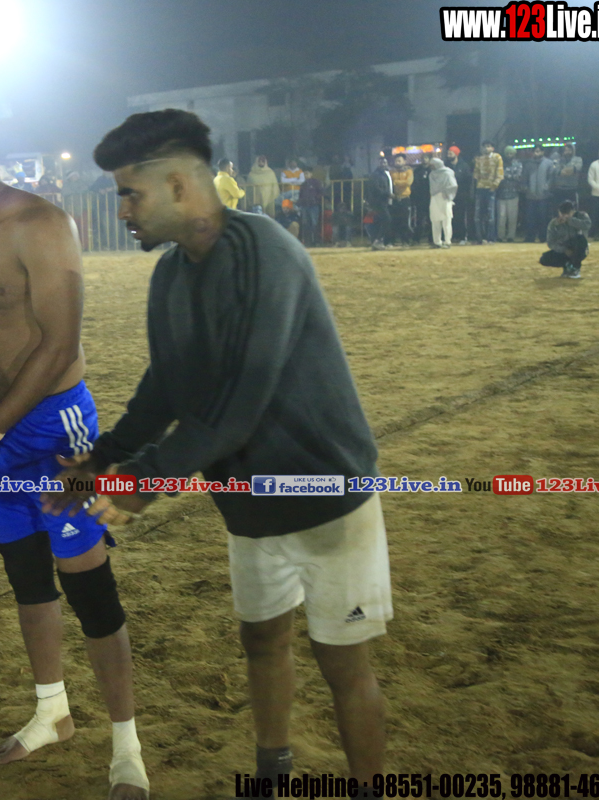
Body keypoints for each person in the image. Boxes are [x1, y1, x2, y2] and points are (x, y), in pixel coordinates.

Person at [56, 108, 389, 786]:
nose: (121, 210)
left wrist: (145, 480)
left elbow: (240, 404)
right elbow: (166, 386)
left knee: (343, 665)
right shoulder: (171, 275)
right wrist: (104, 458)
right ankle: (273, 773)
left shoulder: (267, 253)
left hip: (327, 500)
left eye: (130, 193)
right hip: (246, 503)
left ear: (179, 186)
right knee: (261, 639)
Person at [0, 97, 149, 800]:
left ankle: (127, 747)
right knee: (25, 576)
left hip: (56, 428)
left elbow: (60, 342)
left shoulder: (43, 225)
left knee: (88, 585)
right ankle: (52, 713)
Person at [540, 200, 590, 279]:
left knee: (580, 240)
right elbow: (550, 243)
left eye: (567, 214)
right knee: (544, 259)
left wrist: (570, 220)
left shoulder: (581, 216)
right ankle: (567, 266)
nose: (564, 216)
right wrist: (564, 250)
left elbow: (587, 225)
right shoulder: (554, 223)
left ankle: (575, 268)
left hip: (578, 248)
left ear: (573, 211)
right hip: (563, 249)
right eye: (562, 214)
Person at [472, 140, 503, 244]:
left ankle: (491, 238)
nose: (486, 148)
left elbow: (500, 173)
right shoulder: (479, 159)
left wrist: (494, 185)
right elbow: (476, 173)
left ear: (493, 148)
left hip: (491, 189)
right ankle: (480, 238)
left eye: (488, 146)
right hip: (480, 188)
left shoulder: (497, 157)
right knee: (478, 215)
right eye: (485, 146)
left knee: (491, 215)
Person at [525, 146, 554, 243]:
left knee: (543, 218)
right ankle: (530, 237)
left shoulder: (549, 163)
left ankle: (543, 237)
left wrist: (547, 187)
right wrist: (526, 188)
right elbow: (524, 178)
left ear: (543, 152)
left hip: (543, 196)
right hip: (530, 196)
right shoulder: (528, 163)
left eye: (538, 151)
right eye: (535, 151)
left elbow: (551, 178)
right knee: (530, 218)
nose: (536, 153)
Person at [444, 146, 472, 243]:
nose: (448, 155)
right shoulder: (446, 166)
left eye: (450, 153)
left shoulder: (464, 166)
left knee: (460, 216)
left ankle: (462, 236)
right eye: (448, 153)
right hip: (449, 196)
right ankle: (452, 236)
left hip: (461, 195)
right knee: (450, 217)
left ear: (456, 154)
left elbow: (468, 181)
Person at [428, 156, 457, 248]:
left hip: (445, 198)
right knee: (435, 220)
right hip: (434, 198)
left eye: (432, 165)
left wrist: (448, 194)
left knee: (446, 221)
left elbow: (453, 185)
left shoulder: (447, 173)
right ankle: (437, 242)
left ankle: (447, 241)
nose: (431, 167)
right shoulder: (432, 174)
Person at [496, 146, 522, 242]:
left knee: (512, 217)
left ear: (514, 154)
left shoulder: (518, 164)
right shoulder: (500, 163)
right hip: (501, 194)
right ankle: (500, 236)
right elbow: (498, 175)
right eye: (507, 153)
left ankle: (511, 236)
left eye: (511, 153)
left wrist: (505, 176)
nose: (509, 155)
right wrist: (509, 176)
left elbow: (518, 176)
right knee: (501, 217)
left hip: (513, 194)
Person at [368, 157, 393, 250]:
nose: (383, 164)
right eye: (381, 162)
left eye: (385, 162)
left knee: (381, 221)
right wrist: (388, 194)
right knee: (387, 219)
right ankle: (378, 240)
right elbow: (376, 188)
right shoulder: (375, 175)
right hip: (378, 201)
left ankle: (378, 241)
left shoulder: (386, 173)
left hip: (385, 201)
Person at [388, 154, 413, 245]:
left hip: (405, 198)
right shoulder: (391, 172)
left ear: (404, 161)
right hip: (394, 199)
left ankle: (405, 241)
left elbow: (408, 182)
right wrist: (402, 183)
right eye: (396, 161)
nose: (397, 162)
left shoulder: (409, 171)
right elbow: (389, 182)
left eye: (399, 161)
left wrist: (396, 182)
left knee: (405, 221)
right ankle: (392, 241)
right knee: (393, 220)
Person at [550, 144, 583, 209]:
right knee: (559, 209)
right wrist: (564, 171)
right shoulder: (558, 160)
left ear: (573, 150)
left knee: (572, 209)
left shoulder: (578, 159)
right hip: (559, 189)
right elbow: (556, 171)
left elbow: (574, 170)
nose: (567, 152)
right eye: (566, 150)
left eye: (569, 150)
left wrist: (563, 170)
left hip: (572, 189)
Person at [410, 155, 432, 245]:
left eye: (426, 158)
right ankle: (416, 239)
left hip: (431, 198)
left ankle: (432, 238)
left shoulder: (432, 170)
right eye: (423, 158)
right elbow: (414, 184)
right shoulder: (417, 171)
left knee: (431, 220)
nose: (425, 160)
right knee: (419, 220)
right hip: (420, 199)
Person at [298, 167, 323, 245]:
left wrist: (315, 199)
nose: (305, 175)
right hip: (305, 206)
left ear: (311, 174)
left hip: (313, 206)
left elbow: (321, 192)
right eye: (304, 174)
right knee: (306, 224)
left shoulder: (316, 182)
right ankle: (308, 241)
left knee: (314, 224)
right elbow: (300, 195)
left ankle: (316, 241)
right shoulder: (303, 184)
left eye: (307, 173)